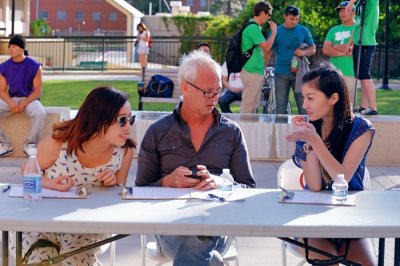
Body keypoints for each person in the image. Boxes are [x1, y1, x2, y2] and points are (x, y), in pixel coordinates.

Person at [135, 50, 255, 266]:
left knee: (203, 240)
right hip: (170, 228)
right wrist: (166, 182)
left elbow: (248, 188)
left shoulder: (232, 132)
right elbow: (141, 189)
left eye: (218, 91)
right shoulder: (157, 132)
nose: (215, 98)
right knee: (207, 255)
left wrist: (221, 182)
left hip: (218, 226)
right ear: (186, 87)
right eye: (207, 92)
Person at [10, 86, 136, 265]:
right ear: (100, 120)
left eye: (130, 119)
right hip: (41, 220)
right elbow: (28, 172)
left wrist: (112, 184)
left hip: (87, 226)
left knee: (75, 260)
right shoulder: (60, 143)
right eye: (122, 120)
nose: (128, 127)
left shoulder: (123, 152)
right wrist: (53, 184)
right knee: (36, 259)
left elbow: (119, 196)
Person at [285, 65, 377, 266]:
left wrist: (315, 141)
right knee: (328, 261)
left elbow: (341, 176)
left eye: (310, 98)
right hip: (311, 219)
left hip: (350, 220)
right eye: (303, 98)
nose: (304, 104)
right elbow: (315, 186)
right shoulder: (308, 128)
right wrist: (310, 142)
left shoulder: (361, 129)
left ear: (333, 98)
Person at [0, 35, 45, 157]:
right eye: (9, 46)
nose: (10, 49)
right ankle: (4, 144)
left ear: (22, 48)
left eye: (13, 46)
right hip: (12, 99)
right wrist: (11, 103)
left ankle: (30, 144)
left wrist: (23, 104)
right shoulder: (3, 67)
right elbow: (2, 90)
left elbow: (37, 91)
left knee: (40, 113)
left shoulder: (34, 65)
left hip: (30, 99)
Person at [267, 5, 316, 115]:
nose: (294, 22)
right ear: (285, 16)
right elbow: (267, 49)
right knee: (280, 107)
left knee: (303, 105)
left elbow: (313, 49)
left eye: (296, 19)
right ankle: (281, 132)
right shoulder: (277, 31)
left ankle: (305, 131)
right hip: (281, 73)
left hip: (300, 74)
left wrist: (303, 52)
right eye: (291, 19)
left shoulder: (303, 30)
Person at [240, 1, 276, 114]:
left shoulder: (256, 28)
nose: (270, 17)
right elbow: (267, 47)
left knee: (254, 104)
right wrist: (274, 31)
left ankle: (249, 130)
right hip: (251, 70)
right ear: (262, 13)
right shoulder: (252, 28)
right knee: (248, 105)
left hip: (256, 70)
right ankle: (243, 130)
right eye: (269, 14)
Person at [346, 0, 379, 115]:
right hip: (358, 43)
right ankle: (363, 106)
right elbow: (357, 25)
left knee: (365, 77)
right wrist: (351, 43)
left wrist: (350, 3)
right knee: (361, 77)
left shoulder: (372, 2)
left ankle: (373, 108)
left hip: (366, 44)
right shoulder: (361, 3)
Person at [323, 1, 356, 105]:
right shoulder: (333, 30)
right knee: (332, 104)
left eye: (346, 10)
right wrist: (346, 50)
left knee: (348, 105)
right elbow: (326, 50)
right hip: (333, 73)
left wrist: (336, 46)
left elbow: (355, 50)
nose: (342, 13)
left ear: (354, 12)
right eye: (340, 11)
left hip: (350, 73)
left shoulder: (359, 29)